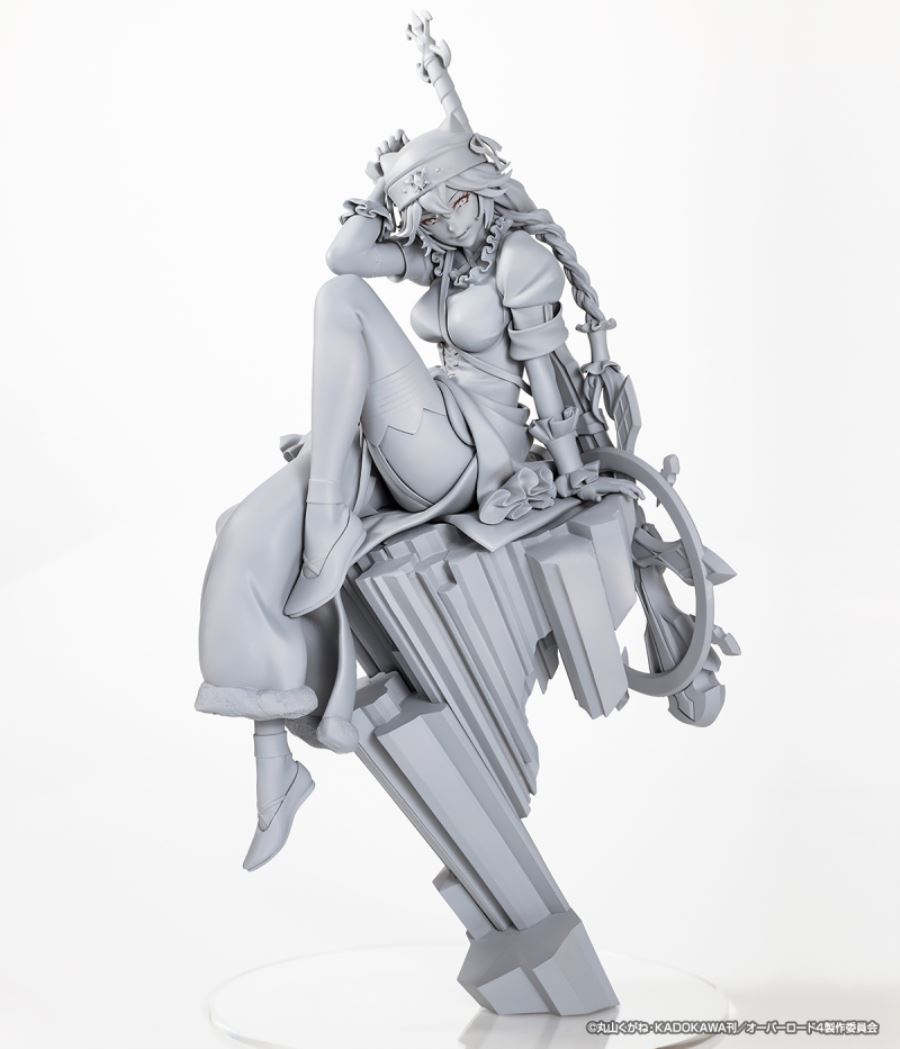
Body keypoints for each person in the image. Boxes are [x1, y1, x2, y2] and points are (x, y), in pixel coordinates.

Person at [195, 25, 637, 872]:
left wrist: (576, 474)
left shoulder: (518, 261)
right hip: (410, 430)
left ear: (477, 188)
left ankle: (330, 523)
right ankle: (277, 761)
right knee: (247, 526)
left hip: (471, 451)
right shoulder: (445, 257)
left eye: (448, 204)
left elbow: (548, 384)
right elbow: (346, 248)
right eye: (424, 213)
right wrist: (390, 184)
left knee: (340, 305)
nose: (437, 224)